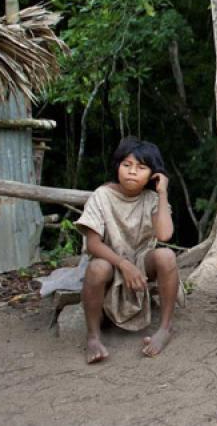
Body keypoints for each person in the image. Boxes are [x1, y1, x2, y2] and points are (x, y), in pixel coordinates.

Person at [76, 137, 182, 363]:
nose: (132, 172)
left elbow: (164, 235)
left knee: (166, 255)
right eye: (127, 165)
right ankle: (93, 337)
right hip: (110, 260)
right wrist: (124, 265)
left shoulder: (152, 198)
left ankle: (165, 328)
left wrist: (162, 192)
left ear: (153, 174)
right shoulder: (102, 195)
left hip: (142, 259)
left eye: (141, 167)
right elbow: (94, 244)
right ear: (118, 167)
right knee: (97, 268)